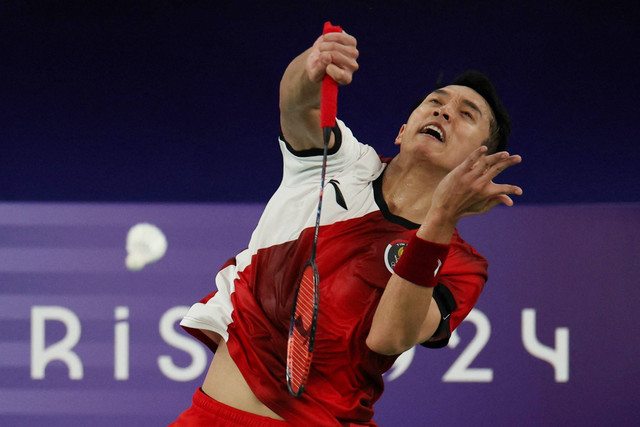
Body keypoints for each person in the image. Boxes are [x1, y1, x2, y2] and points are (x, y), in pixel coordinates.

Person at [171, 27, 522, 427]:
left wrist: (440, 219)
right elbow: (296, 105)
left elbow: (388, 337)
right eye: (435, 102)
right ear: (403, 131)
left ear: (479, 165)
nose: (443, 111)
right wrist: (309, 67)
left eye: (466, 115)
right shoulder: (343, 164)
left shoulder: (461, 265)